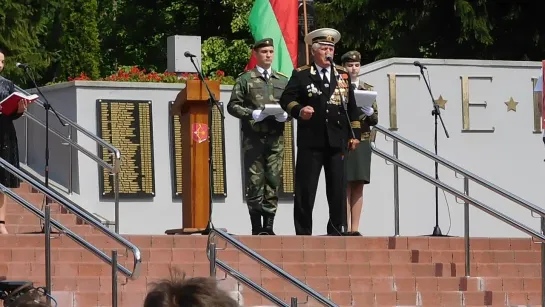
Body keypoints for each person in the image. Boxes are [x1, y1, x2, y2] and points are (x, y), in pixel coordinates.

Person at [278, 28, 361, 236]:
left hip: (336, 140)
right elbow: (285, 99)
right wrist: (299, 110)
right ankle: (303, 232)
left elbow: (351, 106)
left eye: (331, 48)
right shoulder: (302, 74)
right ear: (314, 51)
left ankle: (337, 229)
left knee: (337, 188)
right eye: (324, 48)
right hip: (311, 141)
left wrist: (355, 134)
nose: (328, 53)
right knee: (306, 190)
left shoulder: (341, 74)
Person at [227, 38, 289, 235]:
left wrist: (286, 114)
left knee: (273, 181)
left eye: (271, 51)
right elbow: (232, 106)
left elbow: (291, 104)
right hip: (253, 138)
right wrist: (251, 113)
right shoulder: (245, 79)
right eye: (264, 52)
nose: (268, 55)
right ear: (255, 54)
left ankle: (269, 226)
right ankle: (256, 226)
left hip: (275, 138)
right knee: (255, 182)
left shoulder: (282, 80)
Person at [341, 50, 378, 236]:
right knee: (345, 184)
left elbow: (375, 119)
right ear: (344, 67)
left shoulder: (367, 88)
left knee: (358, 185)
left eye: (356, 65)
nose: (353, 69)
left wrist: (370, 113)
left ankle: (355, 228)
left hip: (362, 140)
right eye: (350, 65)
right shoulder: (339, 87)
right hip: (344, 140)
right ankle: (344, 227)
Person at [0, 48, 28, 235]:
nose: (0, 65)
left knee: (1, 180)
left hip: (4, 135)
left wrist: (19, 109)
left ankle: (1, 222)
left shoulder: (8, 85)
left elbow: (11, 115)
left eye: (2, 62)